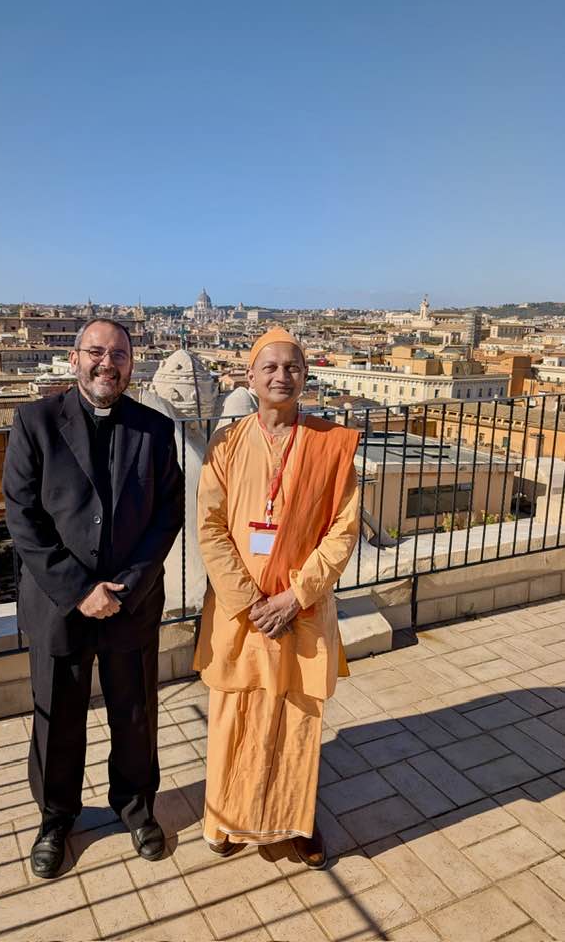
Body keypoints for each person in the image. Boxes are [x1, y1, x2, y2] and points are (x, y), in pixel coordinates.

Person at [3, 318, 184, 879]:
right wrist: (80, 591)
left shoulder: (155, 429)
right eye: (97, 353)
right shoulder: (34, 421)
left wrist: (125, 586)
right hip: (60, 604)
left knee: (135, 713)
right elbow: (23, 517)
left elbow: (168, 514)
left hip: (130, 601)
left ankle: (136, 809)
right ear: (75, 358)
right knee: (57, 716)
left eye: (120, 355)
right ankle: (55, 819)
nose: (108, 364)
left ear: (132, 363)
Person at [194, 327, 360, 868]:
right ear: (251, 376)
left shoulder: (330, 446)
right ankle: (225, 817)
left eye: (292, 367)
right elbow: (210, 527)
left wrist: (294, 596)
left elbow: (343, 530)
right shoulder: (226, 444)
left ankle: (295, 820)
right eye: (270, 367)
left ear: (305, 376)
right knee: (235, 714)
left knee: (297, 720)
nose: (281, 376)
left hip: (301, 610)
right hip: (240, 611)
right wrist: (250, 601)